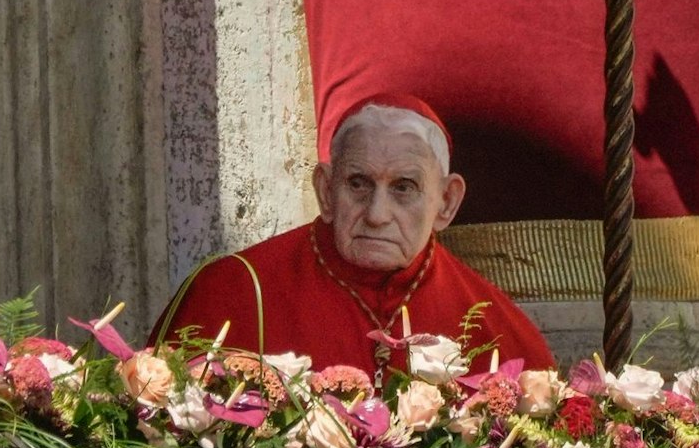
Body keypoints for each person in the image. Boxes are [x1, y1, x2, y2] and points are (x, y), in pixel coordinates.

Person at [157, 94, 550, 375]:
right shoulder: (234, 292)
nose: (378, 215)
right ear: (326, 190)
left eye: (404, 187)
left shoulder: (498, 330)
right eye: (358, 183)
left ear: (446, 202)